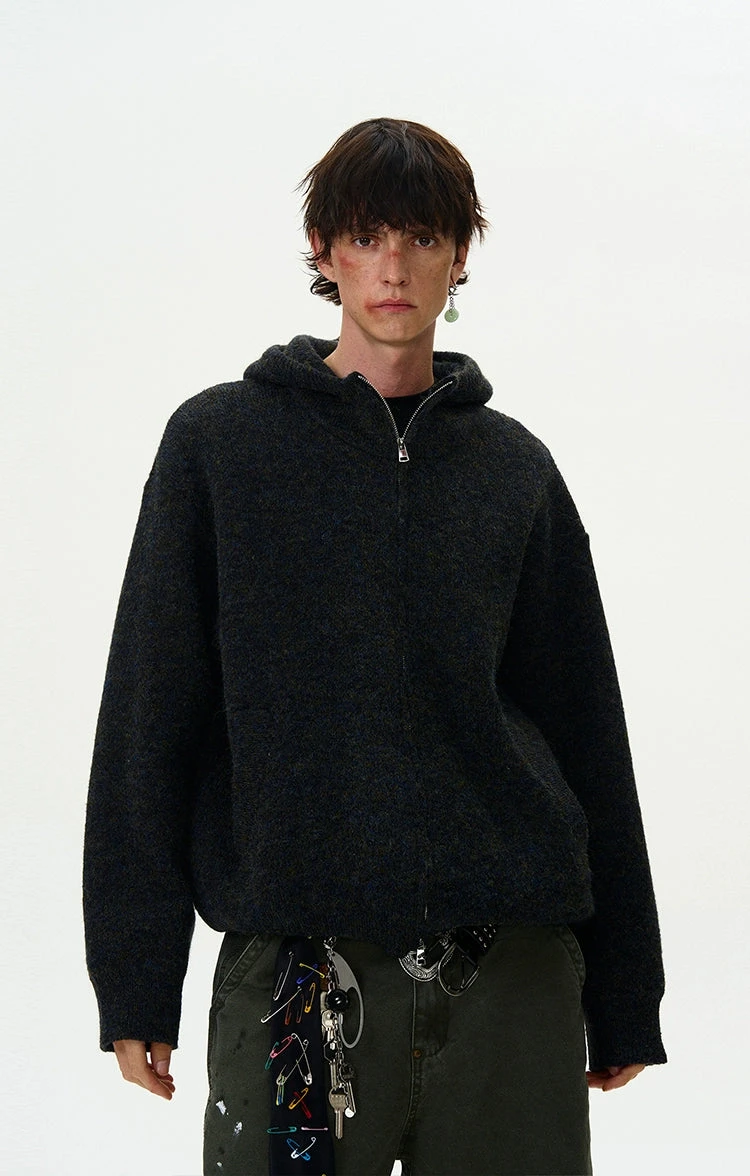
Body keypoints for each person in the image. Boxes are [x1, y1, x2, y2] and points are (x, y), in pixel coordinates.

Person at [83, 117, 667, 1176]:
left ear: (460, 255)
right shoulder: (218, 447)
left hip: (511, 977)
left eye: (423, 238)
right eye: (365, 237)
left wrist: (626, 989)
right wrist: (135, 978)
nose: (394, 268)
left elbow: (587, 724)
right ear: (324, 250)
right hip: (298, 977)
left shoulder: (514, 470)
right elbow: (147, 715)